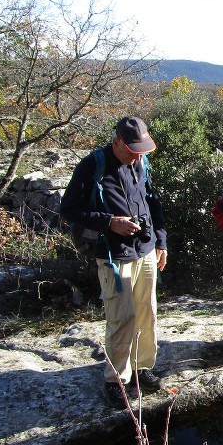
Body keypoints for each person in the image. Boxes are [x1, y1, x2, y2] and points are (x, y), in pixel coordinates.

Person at [60, 116, 168, 407]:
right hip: (112, 254)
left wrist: (161, 241)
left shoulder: (141, 163)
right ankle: (116, 380)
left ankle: (141, 368)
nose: (137, 155)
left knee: (147, 313)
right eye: (132, 149)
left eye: (141, 150)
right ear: (116, 140)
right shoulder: (92, 166)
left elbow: (152, 203)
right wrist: (110, 222)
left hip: (145, 250)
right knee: (122, 318)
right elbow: (69, 209)